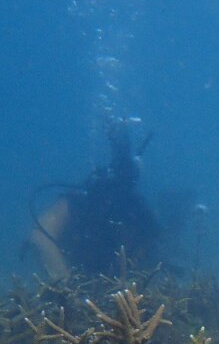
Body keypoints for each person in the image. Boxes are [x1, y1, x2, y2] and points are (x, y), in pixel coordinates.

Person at [28, 120, 160, 280]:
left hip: (115, 288)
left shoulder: (139, 213)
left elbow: (145, 249)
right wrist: (65, 284)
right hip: (74, 282)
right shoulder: (78, 202)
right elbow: (39, 236)